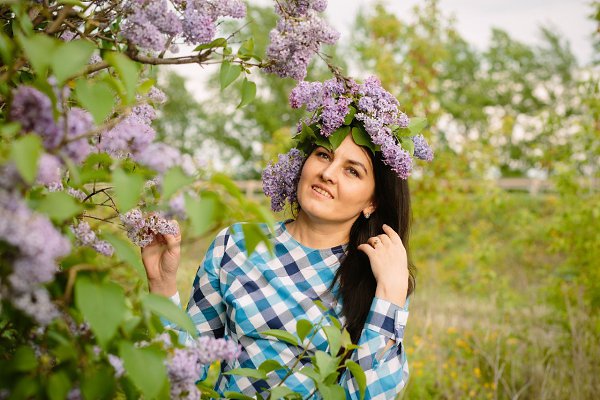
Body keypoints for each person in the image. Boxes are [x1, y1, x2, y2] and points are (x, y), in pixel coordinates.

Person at [141, 76, 433, 399]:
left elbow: (373, 395)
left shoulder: (375, 279)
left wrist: (391, 295)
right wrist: (163, 285)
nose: (328, 173)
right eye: (324, 154)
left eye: (352, 170)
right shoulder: (236, 246)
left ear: (373, 201)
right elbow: (179, 374)